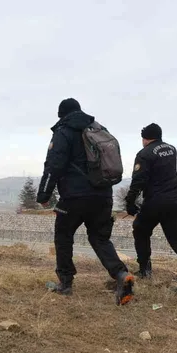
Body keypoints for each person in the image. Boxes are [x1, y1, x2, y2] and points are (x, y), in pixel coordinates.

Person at [36, 98, 135, 305]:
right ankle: (120, 274)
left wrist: (44, 195)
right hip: (103, 195)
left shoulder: (63, 131)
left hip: (74, 197)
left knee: (63, 236)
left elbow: (53, 165)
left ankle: (65, 283)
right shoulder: (98, 129)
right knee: (100, 238)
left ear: (62, 115)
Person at [125, 123, 177, 277]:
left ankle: (145, 270)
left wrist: (130, 202)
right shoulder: (172, 149)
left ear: (145, 138)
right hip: (175, 200)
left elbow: (138, 180)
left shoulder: (144, 154)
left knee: (140, 229)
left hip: (155, 201)